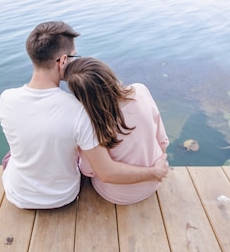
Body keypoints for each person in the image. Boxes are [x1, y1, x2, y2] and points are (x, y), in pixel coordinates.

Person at [0, 21, 169, 209]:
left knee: (11, 155)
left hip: (17, 195)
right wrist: (155, 170)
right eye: (74, 56)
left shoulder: (6, 99)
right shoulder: (79, 111)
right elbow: (104, 171)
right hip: (63, 196)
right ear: (63, 61)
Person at [64, 57, 169, 205]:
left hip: (117, 195)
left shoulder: (91, 122)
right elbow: (162, 140)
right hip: (154, 181)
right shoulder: (140, 91)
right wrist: (157, 167)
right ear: (109, 75)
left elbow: (89, 171)